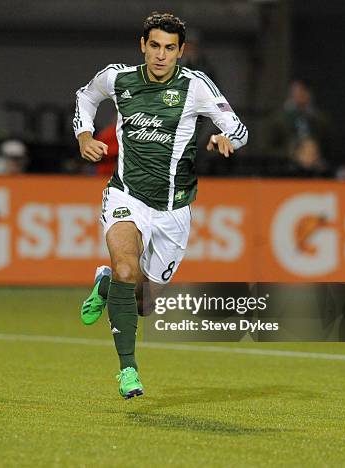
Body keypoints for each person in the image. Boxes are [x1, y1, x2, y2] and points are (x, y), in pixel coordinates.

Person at [73, 12, 248, 399]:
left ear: (181, 52)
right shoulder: (118, 78)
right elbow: (86, 96)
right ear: (143, 45)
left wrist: (227, 140)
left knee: (143, 303)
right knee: (125, 267)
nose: (161, 55)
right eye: (155, 46)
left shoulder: (196, 87)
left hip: (174, 209)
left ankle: (106, 284)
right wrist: (84, 134)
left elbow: (239, 128)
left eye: (170, 48)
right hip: (126, 195)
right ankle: (128, 371)